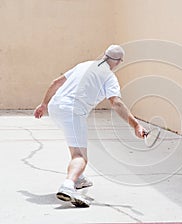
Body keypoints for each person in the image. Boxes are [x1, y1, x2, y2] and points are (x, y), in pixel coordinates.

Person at [34, 45, 146, 207]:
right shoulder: (109, 77)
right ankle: (68, 186)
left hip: (55, 107)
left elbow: (56, 82)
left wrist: (44, 104)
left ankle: (79, 178)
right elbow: (116, 103)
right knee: (80, 156)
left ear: (104, 56)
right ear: (118, 62)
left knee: (74, 142)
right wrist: (135, 125)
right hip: (72, 111)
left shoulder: (83, 65)